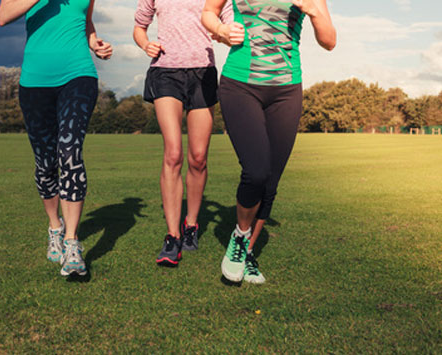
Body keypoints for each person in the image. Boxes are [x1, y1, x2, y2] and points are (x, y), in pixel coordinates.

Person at [202, 0, 336, 283]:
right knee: (256, 171)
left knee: (271, 180)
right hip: (240, 84)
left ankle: (247, 253)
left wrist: (313, 11)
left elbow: (329, 41)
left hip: (286, 90)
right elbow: (208, 12)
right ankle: (240, 236)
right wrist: (222, 30)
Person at [0, 0, 112, 276]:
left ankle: (72, 243)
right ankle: (55, 227)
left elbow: (84, 21)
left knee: (70, 152)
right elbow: (2, 16)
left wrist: (94, 42)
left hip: (78, 74)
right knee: (45, 162)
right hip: (35, 82)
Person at [133, 0, 232, 266]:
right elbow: (139, 27)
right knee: (173, 153)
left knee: (198, 157)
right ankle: (172, 235)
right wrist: (145, 44)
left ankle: (191, 225)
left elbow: (228, 26)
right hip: (165, 72)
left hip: (203, 73)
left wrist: (224, 33)